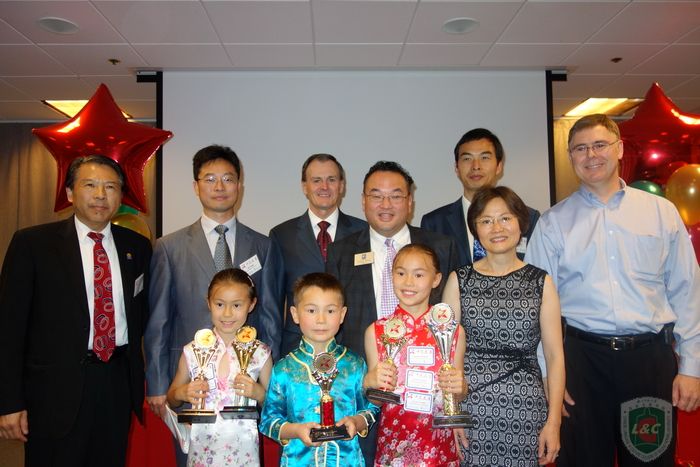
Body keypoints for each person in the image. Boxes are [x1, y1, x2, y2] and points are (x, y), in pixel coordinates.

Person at [526, 114, 700, 466]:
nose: (591, 155)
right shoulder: (552, 223)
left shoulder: (660, 212)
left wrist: (692, 367)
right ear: (571, 156)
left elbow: (688, 290)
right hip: (581, 365)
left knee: (650, 459)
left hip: (648, 363)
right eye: (580, 148)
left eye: (599, 145)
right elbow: (536, 308)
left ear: (619, 149)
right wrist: (549, 376)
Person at [0, 155, 152, 466]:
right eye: (90, 185)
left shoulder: (137, 246)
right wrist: (9, 402)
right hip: (53, 391)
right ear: (70, 193)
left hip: (115, 384)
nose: (101, 195)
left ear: (121, 195)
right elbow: (9, 329)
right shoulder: (33, 244)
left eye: (110, 187)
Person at [144, 145, 283, 463]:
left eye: (228, 179)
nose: (219, 187)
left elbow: (271, 316)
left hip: (244, 390)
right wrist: (159, 383)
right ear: (196, 186)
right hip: (192, 386)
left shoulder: (263, 246)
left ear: (239, 185)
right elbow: (159, 320)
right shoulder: (169, 247)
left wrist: (269, 387)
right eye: (210, 179)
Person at [442, 186, 564, 466]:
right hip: (470, 408)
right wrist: (452, 413)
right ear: (475, 229)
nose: (496, 228)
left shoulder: (541, 282)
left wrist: (554, 422)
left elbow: (555, 357)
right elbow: (447, 356)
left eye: (505, 218)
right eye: (486, 221)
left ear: (521, 223)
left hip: (526, 408)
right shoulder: (459, 280)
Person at [259, 272, 379, 466]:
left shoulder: (354, 364)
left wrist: (356, 422)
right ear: (295, 314)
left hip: (347, 461)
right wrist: (296, 431)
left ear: (342, 314)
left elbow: (371, 408)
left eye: (330, 311)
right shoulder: (284, 369)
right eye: (311, 310)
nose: (321, 319)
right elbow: (268, 421)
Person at [364, 243, 467, 466]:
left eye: (419, 275)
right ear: (391, 276)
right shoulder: (377, 331)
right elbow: (376, 399)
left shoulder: (453, 331)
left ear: (436, 279)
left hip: (438, 445)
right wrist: (370, 382)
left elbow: (457, 395)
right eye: (401, 273)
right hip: (393, 445)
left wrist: (460, 388)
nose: (409, 282)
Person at [167, 268, 272, 467]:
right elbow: (171, 398)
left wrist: (259, 393)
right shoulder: (192, 350)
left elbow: (276, 406)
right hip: (201, 450)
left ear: (251, 304)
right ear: (208, 302)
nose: (227, 313)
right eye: (219, 304)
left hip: (244, 452)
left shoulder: (260, 353)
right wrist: (182, 392)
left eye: (237, 305)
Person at [269, 153, 366, 357]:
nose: (324, 186)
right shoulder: (281, 235)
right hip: (296, 348)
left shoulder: (363, 232)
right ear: (304, 186)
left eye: (331, 179)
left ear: (342, 185)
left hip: (352, 348)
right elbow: (273, 303)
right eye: (316, 180)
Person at [421, 128, 540, 265]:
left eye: (484, 158)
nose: (476, 166)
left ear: (499, 166)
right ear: (456, 168)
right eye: (467, 159)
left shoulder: (528, 217)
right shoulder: (434, 223)